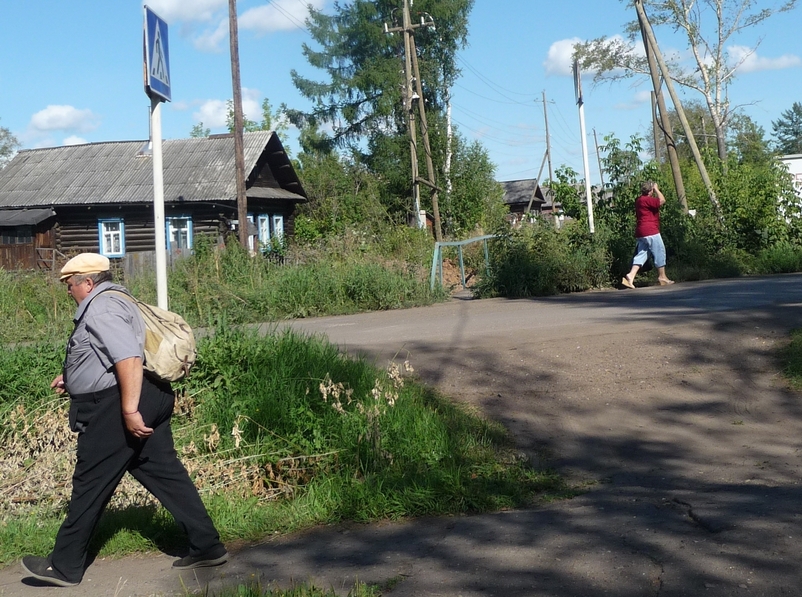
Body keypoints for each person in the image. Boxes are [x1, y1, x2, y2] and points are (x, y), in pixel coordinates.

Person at [21, 253, 227, 587]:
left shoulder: (101, 307)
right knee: (162, 471)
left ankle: (64, 566)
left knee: (90, 482)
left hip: (119, 403)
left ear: (88, 282)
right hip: (150, 394)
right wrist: (72, 379)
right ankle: (206, 545)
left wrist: (129, 412)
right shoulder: (118, 298)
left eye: (69, 285)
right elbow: (107, 354)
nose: (68, 292)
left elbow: (128, 359)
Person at [621, 181, 674, 289]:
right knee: (660, 251)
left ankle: (630, 276)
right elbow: (662, 200)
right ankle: (662, 277)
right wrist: (657, 189)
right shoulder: (647, 200)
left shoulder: (639, 200)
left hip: (641, 231)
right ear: (650, 191)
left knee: (642, 254)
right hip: (651, 231)